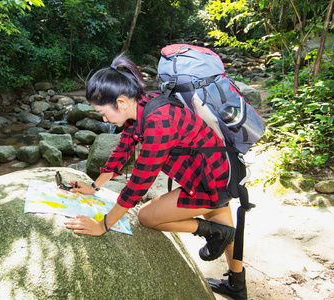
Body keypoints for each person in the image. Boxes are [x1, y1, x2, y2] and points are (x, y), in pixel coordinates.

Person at [64, 53, 247, 300]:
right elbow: (122, 150)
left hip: (211, 180)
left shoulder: (159, 121)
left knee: (147, 216)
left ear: (121, 102)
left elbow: (139, 182)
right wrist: (94, 187)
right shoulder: (142, 105)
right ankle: (237, 285)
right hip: (214, 169)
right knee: (224, 225)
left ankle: (211, 232)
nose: (104, 119)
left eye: (103, 113)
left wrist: (102, 225)